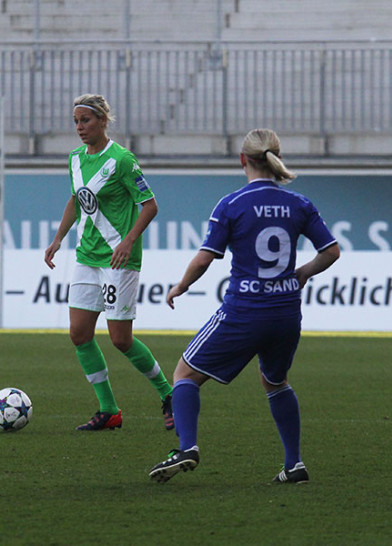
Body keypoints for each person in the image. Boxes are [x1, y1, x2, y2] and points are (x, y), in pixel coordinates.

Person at [148, 128, 340, 483]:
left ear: (242, 160)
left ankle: (187, 446)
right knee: (277, 382)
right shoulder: (299, 204)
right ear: (277, 158)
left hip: (245, 311)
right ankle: (294, 464)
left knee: (185, 374)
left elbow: (206, 258)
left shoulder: (232, 204)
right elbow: (331, 251)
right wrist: (301, 274)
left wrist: (181, 285)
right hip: (285, 312)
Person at [44, 93, 174, 431]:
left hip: (118, 259)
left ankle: (169, 393)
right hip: (86, 256)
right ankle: (108, 409)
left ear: (103, 120)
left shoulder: (122, 161)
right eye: (75, 122)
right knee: (79, 333)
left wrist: (129, 241)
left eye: (85, 121)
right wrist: (58, 238)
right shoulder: (74, 159)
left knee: (120, 339)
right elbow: (77, 199)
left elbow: (150, 205)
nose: (79, 128)